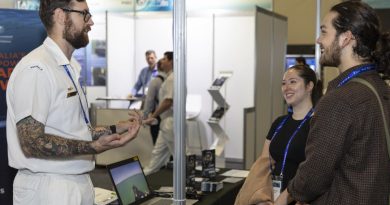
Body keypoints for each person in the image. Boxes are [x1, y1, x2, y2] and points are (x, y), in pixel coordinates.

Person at [6, 0, 142, 204]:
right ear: (61, 16)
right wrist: (93, 146)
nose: (91, 22)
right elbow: (31, 142)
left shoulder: (68, 67)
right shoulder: (37, 68)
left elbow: (71, 130)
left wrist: (115, 128)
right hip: (50, 188)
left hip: (75, 182)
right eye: (85, 14)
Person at [277, 1, 390, 205]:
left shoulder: (341, 99)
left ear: (346, 38)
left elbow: (313, 176)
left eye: (324, 31)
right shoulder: (380, 89)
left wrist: (285, 197)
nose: (319, 40)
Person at [234, 65, 322, 205]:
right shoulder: (279, 123)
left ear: (309, 86)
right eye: (283, 83)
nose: (286, 88)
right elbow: (264, 163)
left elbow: (316, 171)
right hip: (273, 197)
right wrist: (262, 196)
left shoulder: (319, 124)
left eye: (293, 82)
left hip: (302, 198)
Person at [143, 51, 174, 175]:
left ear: (171, 62)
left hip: (170, 122)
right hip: (166, 122)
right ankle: (144, 177)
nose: (162, 61)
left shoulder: (171, 79)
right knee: (157, 153)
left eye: (165, 59)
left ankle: (188, 183)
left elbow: (167, 102)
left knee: (181, 155)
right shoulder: (168, 79)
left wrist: (151, 116)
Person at [143, 59, 166, 144]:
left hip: (158, 117)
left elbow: (149, 101)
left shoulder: (155, 81)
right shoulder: (174, 80)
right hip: (171, 117)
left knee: (157, 145)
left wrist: (145, 117)